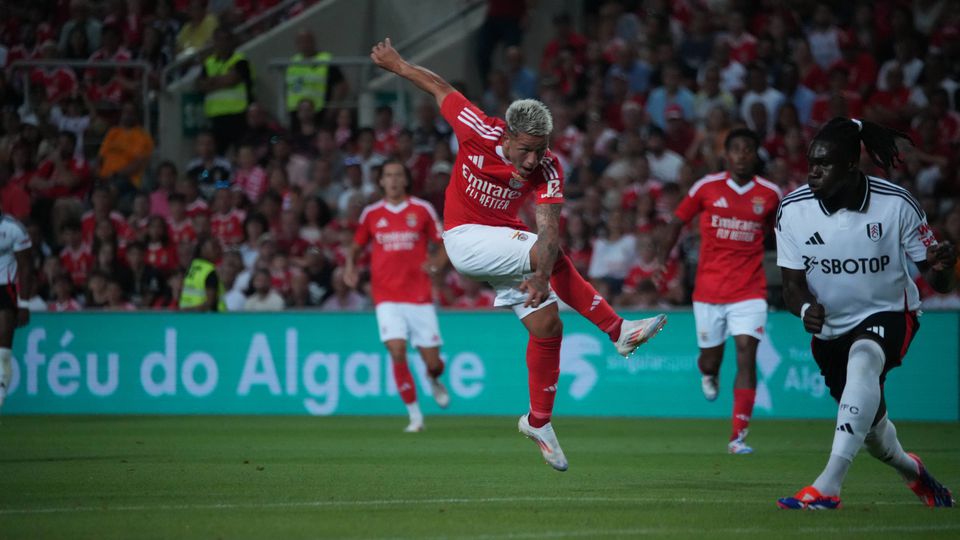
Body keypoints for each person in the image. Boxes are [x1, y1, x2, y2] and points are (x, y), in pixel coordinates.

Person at [370, 37, 667, 471]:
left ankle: (538, 422)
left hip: (507, 240)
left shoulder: (549, 167)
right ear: (506, 136)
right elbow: (439, 87)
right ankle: (617, 329)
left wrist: (541, 272)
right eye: (525, 148)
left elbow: (549, 231)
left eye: (540, 148)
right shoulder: (478, 128)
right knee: (544, 256)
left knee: (548, 327)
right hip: (465, 239)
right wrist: (397, 64)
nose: (532, 159)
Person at [775, 117, 956, 509]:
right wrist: (805, 308)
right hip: (831, 331)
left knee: (865, 358)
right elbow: (791, 285)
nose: (813, 171)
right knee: (874, 435)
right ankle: (914, 472)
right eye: (811, 162)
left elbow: (938, 280)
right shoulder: (792, 210)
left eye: (824, 163)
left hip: (891, 312)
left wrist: (945, 268)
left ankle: (828, 486)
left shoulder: (896, 204)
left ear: (852, 166)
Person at [658, 128, 782, 454]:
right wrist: (662, 260)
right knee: (710, 361)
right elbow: (676, 222)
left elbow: (784, 234)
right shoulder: (707, 187)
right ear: (726, 155)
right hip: (709, 290)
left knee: (746, 354)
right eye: (736, 149)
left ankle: (738, 436)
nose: (742, 155)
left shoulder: (770, 194)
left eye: (748, 149)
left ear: (755, 155)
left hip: (750, 289)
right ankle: (709, 374)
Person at [343, 160, 451, 433]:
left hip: (419, 297)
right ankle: (415, 417)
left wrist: (437, 264)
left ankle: (434, 377)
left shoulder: (422, 209)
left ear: (405, 180)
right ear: (380, 182)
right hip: (386, 297)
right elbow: (355, 248)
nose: (392, 180)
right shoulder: (371, 213)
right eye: (387, 176)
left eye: (397, 175)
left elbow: (444, 244)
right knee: (397, 350)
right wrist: (350, 268)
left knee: (433, 363)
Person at [197, 27, 253, 155]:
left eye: (226, 40)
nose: (223, 43)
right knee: (216, 155)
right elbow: (200, 85)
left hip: (238, 116)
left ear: (232, 41)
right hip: (216, 118)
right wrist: (222, 79)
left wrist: (211, 81)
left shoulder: (240, 60)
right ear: (214, 42)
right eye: (219, 40)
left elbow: (232, 80)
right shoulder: (209, 63)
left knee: (241, 153)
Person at [0, 210, 34, 410]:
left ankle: (1, 391)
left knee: (3, 348)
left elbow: (26, 267)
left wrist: (24, 304)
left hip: (5, 289)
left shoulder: (13, 228)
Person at [179, 236, 225, 312]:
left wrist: (186, 311)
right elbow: (209, 303)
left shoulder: (192, 266)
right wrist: (189, 311)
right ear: (203, 249)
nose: (218, 250)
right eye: (214, 247)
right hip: (209, 319)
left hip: (188, 317)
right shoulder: (209, 271)